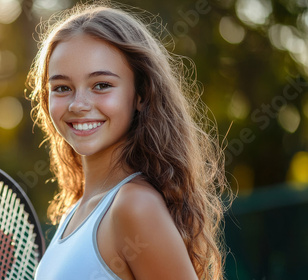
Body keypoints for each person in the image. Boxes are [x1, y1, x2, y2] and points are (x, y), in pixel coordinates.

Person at [27, 2, 230, 279]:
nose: (78, 104)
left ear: (141, 94)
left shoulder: (134, 206)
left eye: (101, 85)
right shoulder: (75, 212)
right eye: (62, 88)